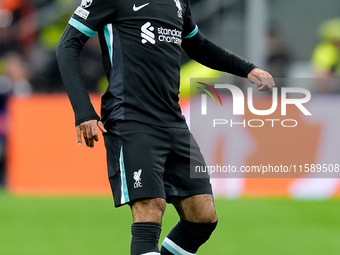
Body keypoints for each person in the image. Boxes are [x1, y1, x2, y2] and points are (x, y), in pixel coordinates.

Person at [56, 0, 275, 254]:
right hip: (131, 118)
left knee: (202, 216)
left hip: (172, 120)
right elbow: (67, 45)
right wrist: (84, 112)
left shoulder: (178, 1)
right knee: (150, 208)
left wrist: (247, 69)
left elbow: (198, 45)